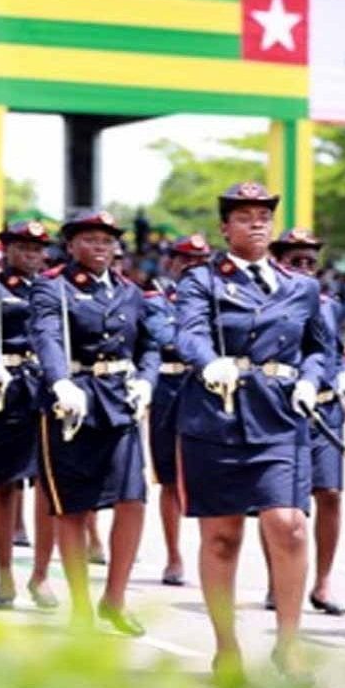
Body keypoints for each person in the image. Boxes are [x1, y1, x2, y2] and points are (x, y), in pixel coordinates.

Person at [175, 182, 328, 676]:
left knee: (289, 525)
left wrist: (311, 381)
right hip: (217, 414)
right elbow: (189, 332)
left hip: (280, 416)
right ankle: (227, 646)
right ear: (226, 228)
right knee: (222, 537)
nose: (256, 222)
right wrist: (208, 362)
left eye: (263, 215)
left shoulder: (300, 285)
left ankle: (290, 640)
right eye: (244, 216)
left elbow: (319, 348)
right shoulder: (203, 281)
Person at [31, 210, 157, 632]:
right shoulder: (53, 288)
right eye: (89, 239)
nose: (99, 247)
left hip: (120, 401)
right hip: (75, 403)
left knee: (133, 498)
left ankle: (115, 598)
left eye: (107, 240)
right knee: (72, 506)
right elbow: (46, 336)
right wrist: (60, 382)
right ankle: (81, 605)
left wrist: (147, 380)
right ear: (70, 246)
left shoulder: (130, 291)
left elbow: (151, 344)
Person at [0, 220, 59, 610]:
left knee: (47, 486)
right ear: (7, 250)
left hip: (45, 389)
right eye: (22, 248)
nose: (31, 255)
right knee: (4, 486)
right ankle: (5, 575)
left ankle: (40, 575)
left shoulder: (56, 289)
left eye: (37, 249)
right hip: (1, 390)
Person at [268, 229, 345, 616]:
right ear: (279, 262)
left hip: (325, 407)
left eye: (310, 262)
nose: (304, 268)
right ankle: (279, 579)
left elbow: (331, 351)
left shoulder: (329, 304)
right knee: (284, 504)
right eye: (295, 261)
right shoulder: (272, 303)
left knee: (331, 494)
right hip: (284, 408)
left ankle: (322, 581)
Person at [142, 233, 213, 586]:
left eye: (200, 261)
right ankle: (173, 556)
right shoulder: (157, 299)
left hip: (205, 388)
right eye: (186, 260)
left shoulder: (218, 298)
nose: (192, 267)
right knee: (169, 479)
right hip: (169, 389)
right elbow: (166, 338)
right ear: (171, 262)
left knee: (204, 477)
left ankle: (209, 554)